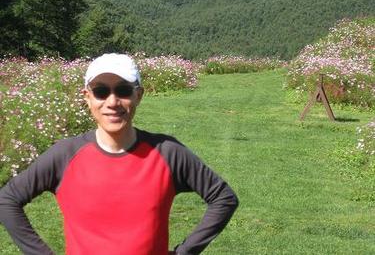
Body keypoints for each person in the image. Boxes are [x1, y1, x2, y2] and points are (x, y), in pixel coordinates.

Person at [0, 53, 238, 254]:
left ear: (139, 95)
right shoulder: (64, 155)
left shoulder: (167, 153)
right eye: (101, 91)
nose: (112, 102)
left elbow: (223, 198)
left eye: (123, 90)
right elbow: (7, 199)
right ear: (87, 98)